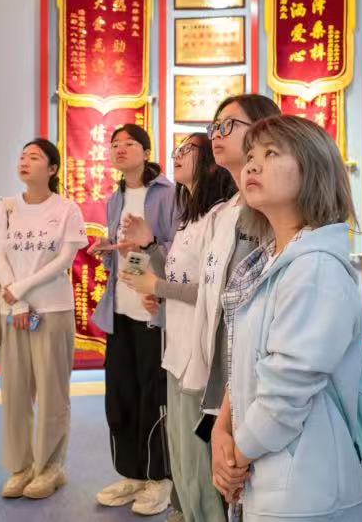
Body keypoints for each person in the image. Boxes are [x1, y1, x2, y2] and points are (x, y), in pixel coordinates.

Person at [211, 117, 362, 522]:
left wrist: (235, 458)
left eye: (271, 153)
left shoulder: (315, 268)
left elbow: (286, 393)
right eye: (250, 156)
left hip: (304, 488)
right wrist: (221, 429)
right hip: (268, 468)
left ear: (312, 168)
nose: (252, 165)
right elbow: (246, 363)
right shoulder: (269, 260)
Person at [119, 132, 235, 522]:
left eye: (187, 149)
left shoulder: (221, 217)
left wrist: (158, 288)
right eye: (177, 149)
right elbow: (173, 276)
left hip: (200, 356)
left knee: (198, 454)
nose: (178, 155)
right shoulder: (190, 218)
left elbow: (211, 291)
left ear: (211, 164)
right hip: (176, 349)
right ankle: (185, 510)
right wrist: (150, 248)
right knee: (180, 449)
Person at [0, 139, 86, 501]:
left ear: (52, 169)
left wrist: (22, 290)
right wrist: (18, 301)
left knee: (52, 391)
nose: (24, 161)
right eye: (22, 156)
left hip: (53, 310)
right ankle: (21, 466)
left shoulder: (67, 209)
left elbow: (64, 260)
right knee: (14, 392)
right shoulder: (6, 208)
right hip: (12, 311)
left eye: (35, 157)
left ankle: (50, 467)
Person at [90, 123, 178, 514]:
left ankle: (160, 478)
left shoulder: (169, 194)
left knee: (153, 395)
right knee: (121, 394)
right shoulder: (116, 198)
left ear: (146, 151)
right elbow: (127, 254)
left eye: (129, 143)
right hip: (120, 309)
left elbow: (176, 248)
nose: (120, 149)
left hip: (153, 311)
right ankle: (132, 473)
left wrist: (145, 250)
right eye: (114, 145)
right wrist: (107, 248)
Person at [194, 94, 283, 437]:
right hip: (223, 372)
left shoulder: (273, 209)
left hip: (260, 383)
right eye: (215, 127)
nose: (217, 134)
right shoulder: (226, 209)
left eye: (228, 125)